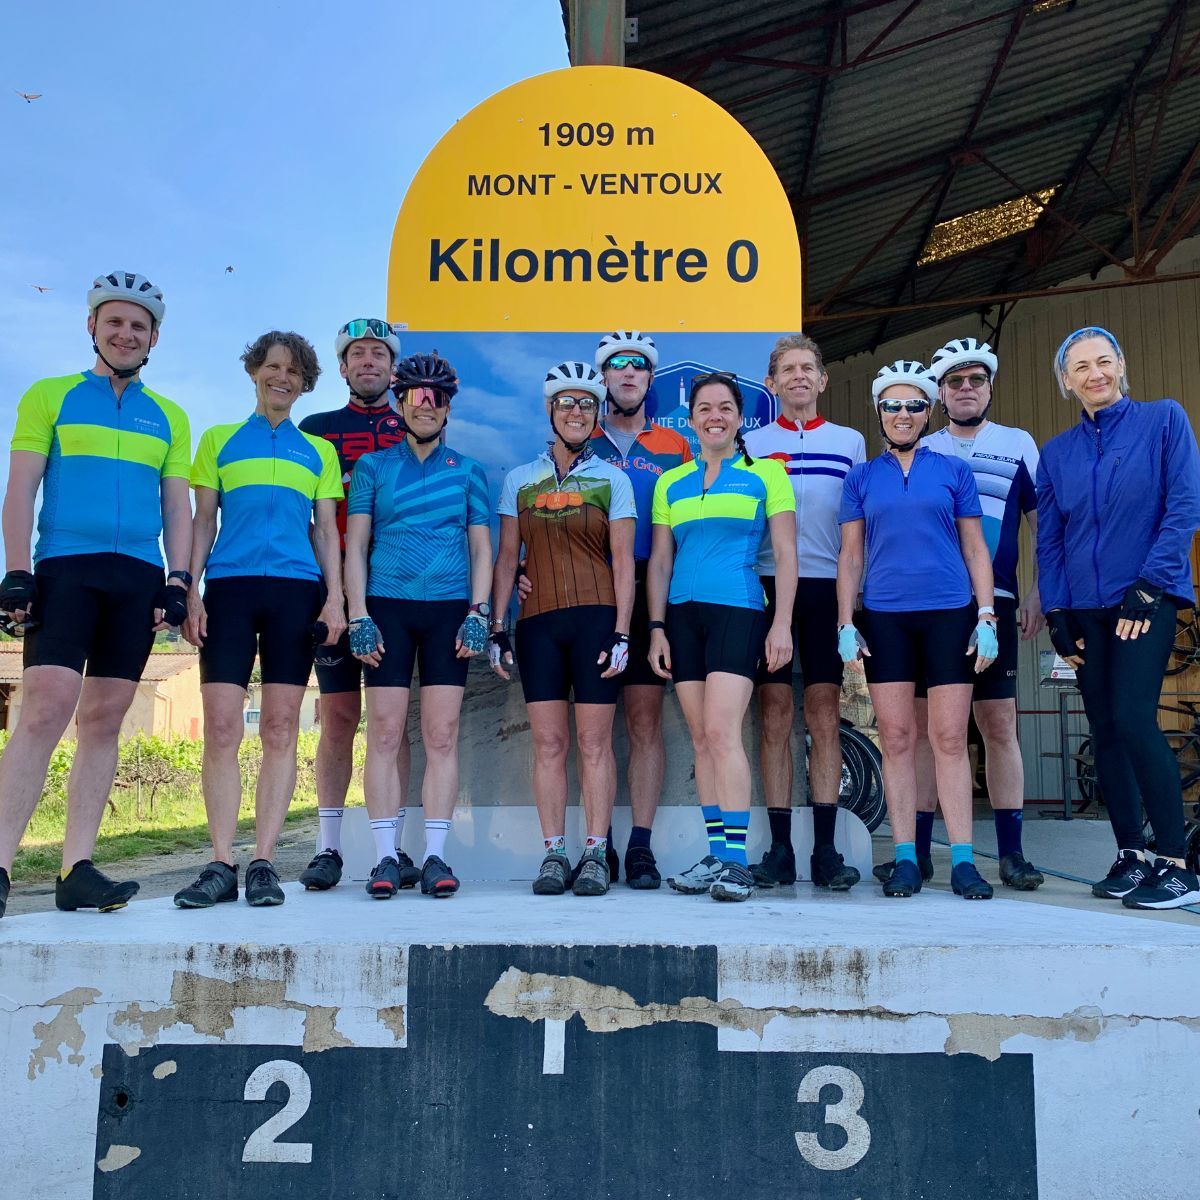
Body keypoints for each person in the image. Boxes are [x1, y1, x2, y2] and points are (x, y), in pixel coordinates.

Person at [0, 271, 191, 919]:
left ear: (153, 339)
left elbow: (177, 508)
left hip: (136, 577)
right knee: (45, 708)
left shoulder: (169, 416)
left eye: (138, 325)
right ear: (92, 327)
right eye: (114, 321)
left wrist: (179, 579)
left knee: (104, 718)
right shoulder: (49, 396)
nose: (125, 332)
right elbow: (21, 487)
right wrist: (18, 568)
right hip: (65, 569)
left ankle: (75, 868)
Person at [174, 332, 345, 909]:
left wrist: (336, 599)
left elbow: (325, 532)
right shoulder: (218, 440)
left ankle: (265, 861)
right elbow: (201, 523)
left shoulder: (317, 452)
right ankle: (221, 862)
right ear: (254, 372)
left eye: (294, 371)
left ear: (304, 382)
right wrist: (191, 591)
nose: (283, 378)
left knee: (279, 730)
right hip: (228, 589)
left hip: (297, 593)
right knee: (222, 729)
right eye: (273, 367)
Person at [519, 330, 691, 888]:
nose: (629, 374)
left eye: (640, 366)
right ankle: (600, 846)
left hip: (651, 589)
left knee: (642, 722)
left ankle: (637, 847)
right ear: (603, 380)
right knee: (586, 733)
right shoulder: (580, 449)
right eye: (618, 365)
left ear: (649, 379)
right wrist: (528, 571)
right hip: (584, 594)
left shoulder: (674, 445)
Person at [1038, 326, 1200, 910]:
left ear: (1121, 366)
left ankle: (1179, 865)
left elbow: (1184, 504)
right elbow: (1050, 540)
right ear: (1066, 381)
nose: (1094, 374)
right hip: (1085, 606)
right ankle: (1131, 854)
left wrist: (1151, 584)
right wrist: (1056, 609)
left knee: (1134, 719)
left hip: (1145, 600)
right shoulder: (1056, 453)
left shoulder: (1163, 420)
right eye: (1080, 367)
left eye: (1103, 361)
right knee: (1104, 728)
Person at [876, 337, 1046, 890]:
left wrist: (1038, 591)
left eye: (976, 379)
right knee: (924, 732)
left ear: (990, 386)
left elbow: (1042, 524)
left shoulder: (1018, 442)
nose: (966, 389)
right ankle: (918, 853)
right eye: (954, 382)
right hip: (933, 608)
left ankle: (1014, 853)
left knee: (998, 725)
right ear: (938, 396)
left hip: (995, 603)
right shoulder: (925, 450)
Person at [837, 360, 998, 900]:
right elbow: (851, 556)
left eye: (913, 405)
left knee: (950, 738)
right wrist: (845, 621)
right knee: (899, 739)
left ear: (928, 412)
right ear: (879, 412)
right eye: (892, 405)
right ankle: (905, 857)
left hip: (950, 612)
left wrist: (986, 613)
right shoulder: (861, 477)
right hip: (885, 617)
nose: (902, 414)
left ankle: (964, 861)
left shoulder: (953, 471)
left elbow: (976, 546)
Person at [345, 354, 492, 899]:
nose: (426, 405)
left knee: (441, 735)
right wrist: (359, 614)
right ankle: (385, 858)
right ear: (400, 403)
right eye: (416, 396)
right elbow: (355, 545)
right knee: (383, 734)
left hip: (448, 610)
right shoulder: (373, 469)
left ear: (448, 407)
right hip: (386, 607)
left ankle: (434, 856)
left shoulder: (469, 471)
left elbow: (482, 548)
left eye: (437, 397)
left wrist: (478, 613)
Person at [649, 371, 797, 902]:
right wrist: (656, 628)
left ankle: (736, 863)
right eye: (705, 408)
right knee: (702, 740)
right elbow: (661, 561)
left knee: (722, 732)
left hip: (738, 608)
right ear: (691, 420)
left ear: (739, 418)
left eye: (725, 408)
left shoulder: (767, 475)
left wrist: (781, 624)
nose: (715, 416)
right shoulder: (672, 482)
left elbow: (784, 555)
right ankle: (717, 855)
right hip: (682, 618)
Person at [490, 361, 635, 897]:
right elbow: (509, 558)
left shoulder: (612, 479)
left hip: (597, 621)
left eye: (586, 404)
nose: (577, 411)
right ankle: (554, 853)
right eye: (567, 403)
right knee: (550, 745)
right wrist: (496, 626)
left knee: (595, 744)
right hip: (537, 626)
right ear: (551, 411)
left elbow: (624, 563)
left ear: (597, 415)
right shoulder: (518, 480)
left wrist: (622, 631)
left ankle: (596, 851)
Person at [743, 334, 865, 891]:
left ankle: (824, 852)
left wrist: (853, 603)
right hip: (767, 590)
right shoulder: (750, 442)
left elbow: (860, 528)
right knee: (773, 716)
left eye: (807, 368)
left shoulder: (851, 442)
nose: (797, 377)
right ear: (771, 383)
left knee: (822, 717)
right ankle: (780, 852)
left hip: (827, 590)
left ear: (822, 380)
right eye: (786, 369)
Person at [295, 319, 412, 892]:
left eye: (379, 354)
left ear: (394, 369)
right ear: (342, 367)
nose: (369, 362)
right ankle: (328, 848)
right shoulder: (316, 429)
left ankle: (400, 846)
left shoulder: (412, 424)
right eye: (357, 355)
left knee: (395, 723)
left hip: (396, 588)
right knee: (338, 718)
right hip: (328, 589)